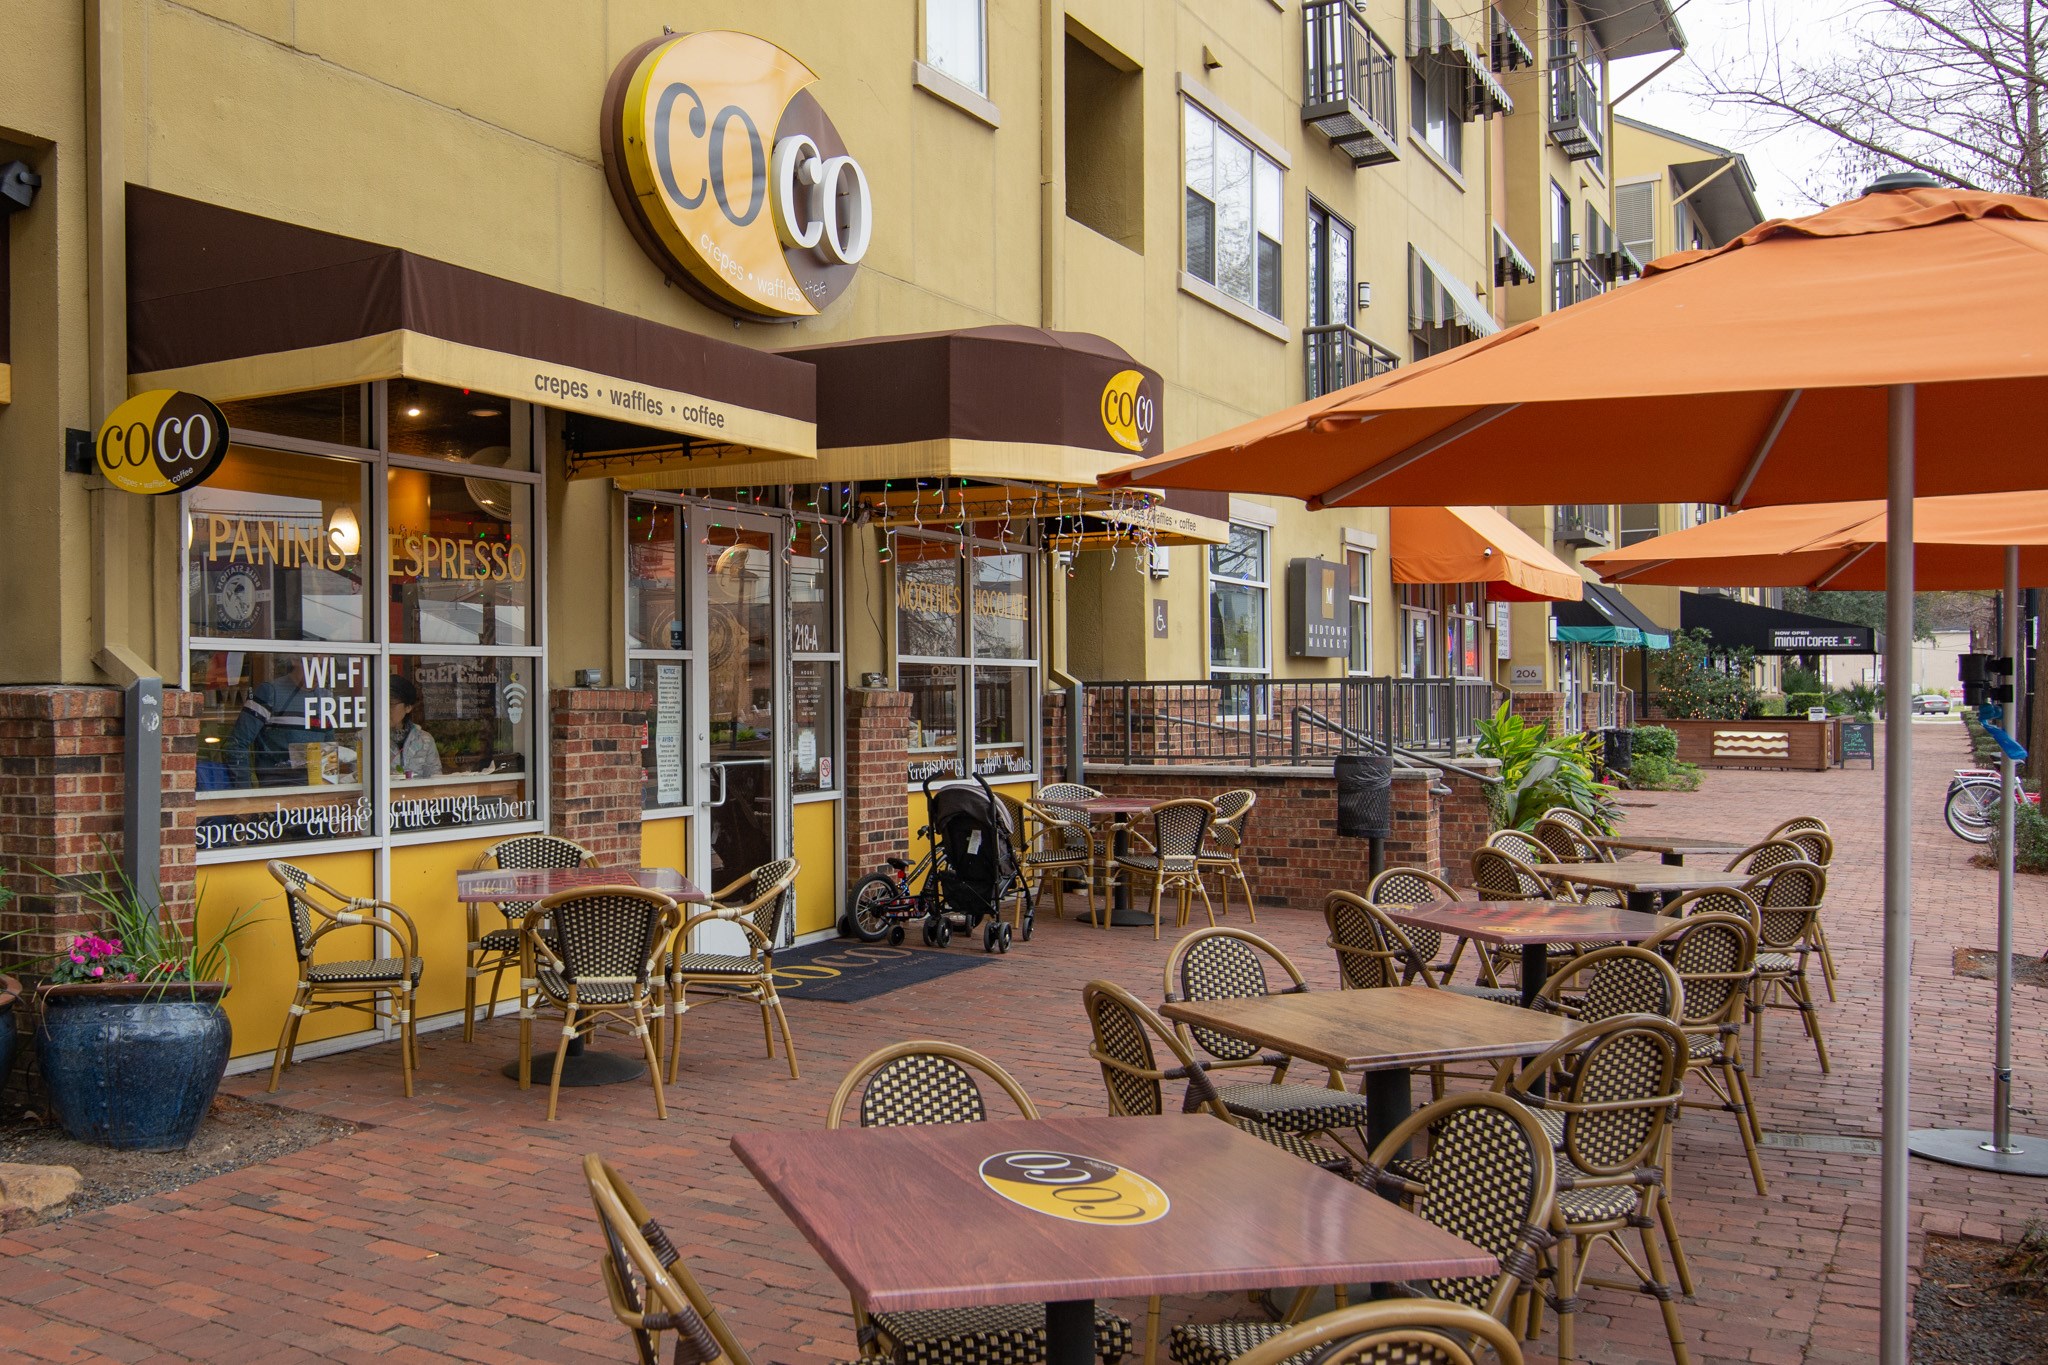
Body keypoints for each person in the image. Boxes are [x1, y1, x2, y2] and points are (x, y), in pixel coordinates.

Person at [225, 657, 329, 787]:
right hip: (279, 789)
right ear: (295, 660)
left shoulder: (324, 697)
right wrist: (244, 791)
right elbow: (237, 744)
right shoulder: (270, 692)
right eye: (312, 665)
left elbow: (329, 747)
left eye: (325, 666)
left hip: (317, 789)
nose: (320, 673)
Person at [390, 675, 444, 779]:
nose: (386, 709)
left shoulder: (425, 740)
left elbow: (435, 778)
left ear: (408, 707)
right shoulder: (366, 739)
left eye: (391, 705)